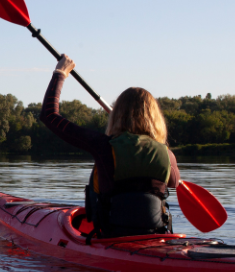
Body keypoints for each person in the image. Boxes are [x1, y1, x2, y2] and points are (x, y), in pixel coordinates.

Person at [41, 55, 180, 238]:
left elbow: (49, 115)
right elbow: (174, 182)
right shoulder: (167, 155)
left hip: (111, 236)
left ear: (117, 115)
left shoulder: (103, 146)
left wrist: (60, 73)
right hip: (155, 235)